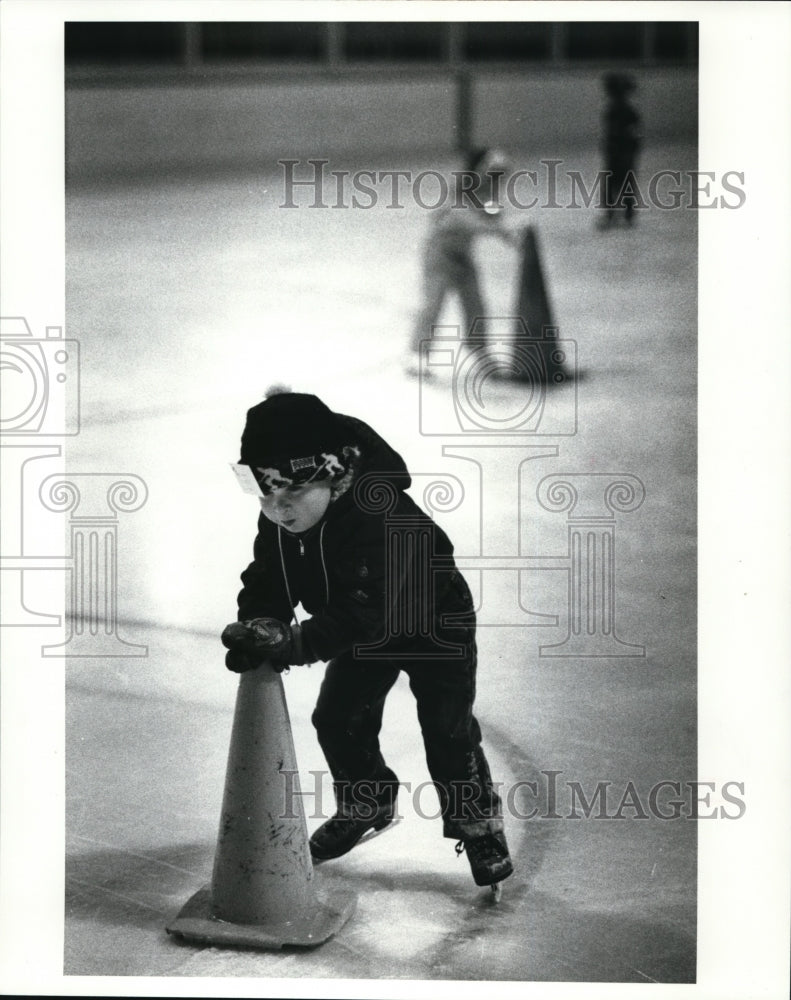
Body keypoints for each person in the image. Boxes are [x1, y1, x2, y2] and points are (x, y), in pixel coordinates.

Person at [221, 388, 514, 889]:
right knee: (337, 718)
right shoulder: (283, 516)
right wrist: (263, 621)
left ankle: (479, 825)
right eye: (265, 496)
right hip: (361, 623)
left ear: (330, 477)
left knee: (447, 730)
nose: (277, 510)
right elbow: (269, 576)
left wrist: (292, 646)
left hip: (433, 624)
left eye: (289, 495)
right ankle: (367, 800)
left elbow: (363, 618)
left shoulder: (382, 518)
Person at [408, 146, 518, 368]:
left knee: (475, 305)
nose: (495, 180)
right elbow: (469, 221)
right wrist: (503, 231)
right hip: (440, 255)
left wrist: (510, 235)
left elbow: (493, 218)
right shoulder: (457, 193)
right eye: (491, 173)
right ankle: (416, 354)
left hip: (463, 256)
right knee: (433, 305)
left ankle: (479, 349)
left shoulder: (486, 195)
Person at [599, 72, 642, 228]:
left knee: (617, 183)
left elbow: (626, 134)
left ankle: (616, 215)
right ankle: (625, 215)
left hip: (620, 153)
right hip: (622, 153)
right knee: (623, 183)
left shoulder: (619, 111)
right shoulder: (626, 111)